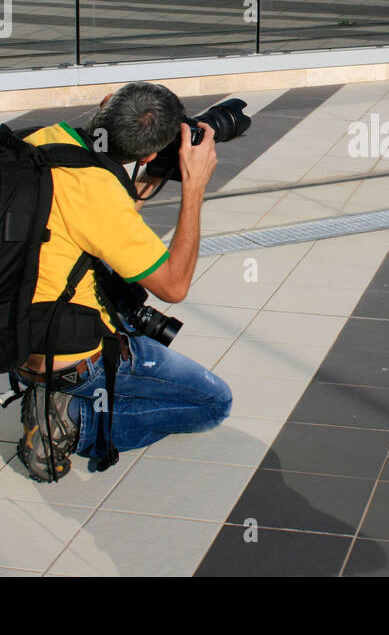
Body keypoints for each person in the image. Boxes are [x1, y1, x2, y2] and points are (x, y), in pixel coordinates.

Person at [15, 81, 231, 481]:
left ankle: (61, 393)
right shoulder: (99, 197)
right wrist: (195, 186)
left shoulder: (40, 142)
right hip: (68, 357)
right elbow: (174, 286)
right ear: (150, 151)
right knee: (213, 403)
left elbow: (98, 221)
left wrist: (151, 178)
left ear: (103, 106)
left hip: (6, 329)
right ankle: (71, 421)